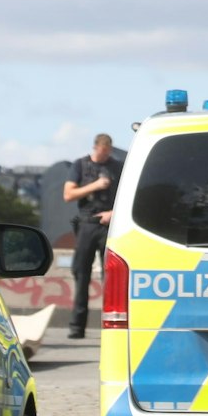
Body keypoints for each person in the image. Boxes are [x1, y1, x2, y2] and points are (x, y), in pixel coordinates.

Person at [63, 133, 123, 338]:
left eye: (108, 152)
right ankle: (77, 327)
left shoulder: (118, 167)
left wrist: (113, 214)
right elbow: (68, 195)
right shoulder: (80, 165)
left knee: (112, 276)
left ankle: (111, 326)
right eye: (102, 151)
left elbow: (129, 196)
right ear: (95, 148)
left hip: (109, 224)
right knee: (81, 274)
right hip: (87, 223)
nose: (105, 155)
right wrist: (95, 185)